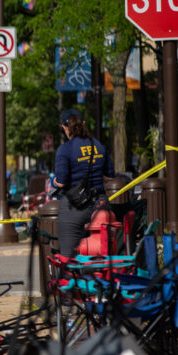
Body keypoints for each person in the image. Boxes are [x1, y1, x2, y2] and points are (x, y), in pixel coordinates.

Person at [53, 109, 115, 257]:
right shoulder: (98, 145)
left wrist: (53, 181)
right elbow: (110, 177)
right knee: (103, 254)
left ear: (64, 127)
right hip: (100, 204)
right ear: (84, 124)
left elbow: (61, 183)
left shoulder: (65, 149)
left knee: (68, 256)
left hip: (75, 207)